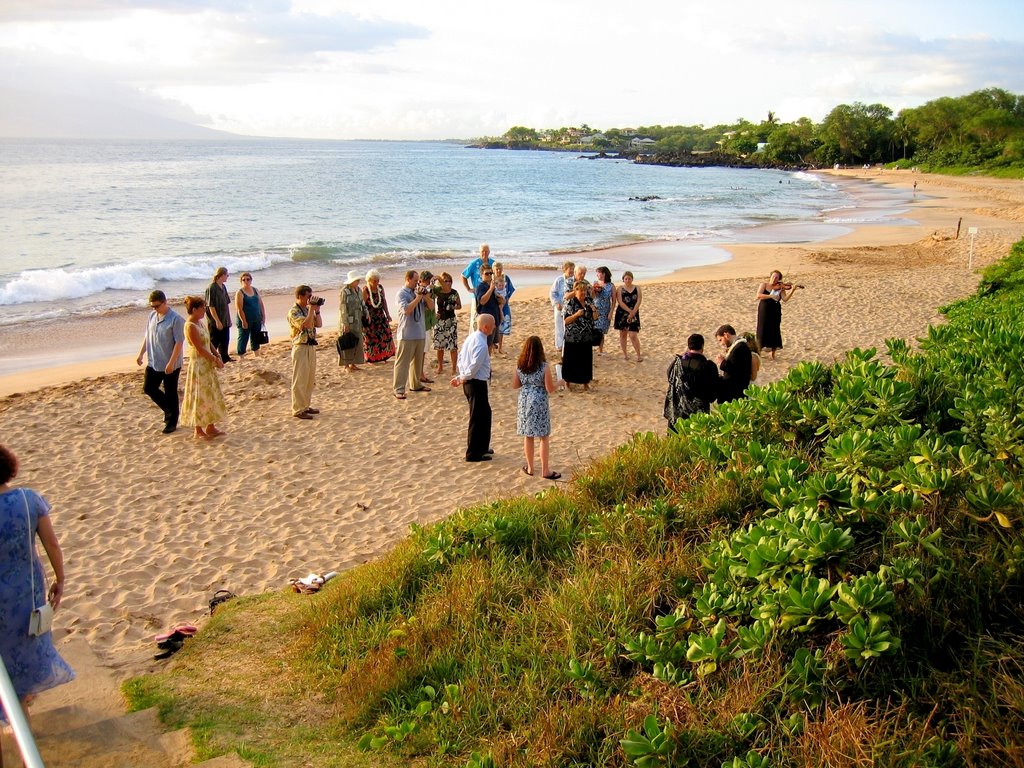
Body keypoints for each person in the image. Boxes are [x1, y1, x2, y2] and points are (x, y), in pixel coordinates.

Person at [0, 445, 75, 744]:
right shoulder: (29, 500)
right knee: (23, 648)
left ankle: (16, 713)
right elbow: (52, 545)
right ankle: (22, 715)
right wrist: (60, 578)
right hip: (25, 594)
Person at [137, 289, 186, 434]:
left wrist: (171, 363)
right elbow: (148, 336)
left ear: (165, 302)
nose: (155, 309)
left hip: (170, 363)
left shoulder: (176, 319)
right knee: (148, 388)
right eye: (152, 306)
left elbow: (179, 343)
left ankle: (172, 421)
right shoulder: (152, 316)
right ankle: (169, 410)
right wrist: (141, 354)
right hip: (154, 360)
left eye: (157, 306)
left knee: (171, 392)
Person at [513, 336, 560, 479]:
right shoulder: (543, 366)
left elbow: (515, 385)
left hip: (524, 399)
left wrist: (527, 383)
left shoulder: (520, 365)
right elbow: (550, 388)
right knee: (543, 436)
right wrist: (560, 382)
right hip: (539, 399)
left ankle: (531, 468)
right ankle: (545, 470)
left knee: (528, 435)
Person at [451, 314, 495, 462]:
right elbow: (474, 366)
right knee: (476, 417)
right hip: (475, 383)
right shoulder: (481, 344)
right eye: (492, 325)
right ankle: (473, 453)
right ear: (485, 327)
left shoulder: (472, 338)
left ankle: (482, 447)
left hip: (473, 381)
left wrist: (461, 375)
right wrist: (461, 377)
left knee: (485, 414)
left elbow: (461, 358)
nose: (494, 327)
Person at [182, 296, 228, 439]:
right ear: (194, 309)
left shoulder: (200, 323)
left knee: (211, 394)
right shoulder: (190, 326)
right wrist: (214, 359)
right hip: (198, 365)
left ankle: (210, 426)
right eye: (202, 308)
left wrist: (217, 354)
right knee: (199, 396)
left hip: (207, 364)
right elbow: (200, 348)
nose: (204, 311)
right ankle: (198, 429)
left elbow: (208, 343)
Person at [664, 333, 720, 431]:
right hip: (697, 417)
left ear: (689, 346)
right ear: (702, 347)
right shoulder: (708, 367)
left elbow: (670, 378)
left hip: (677, 414)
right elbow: (712, 395)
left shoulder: (677, 363)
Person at [393, 270, 433, 400]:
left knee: (417, 361)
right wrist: (418, 297)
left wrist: (425, 296)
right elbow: (407, 310)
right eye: (415, 281)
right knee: (402, 362)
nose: (418, 283)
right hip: (407, 334)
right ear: (408, 279)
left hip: (419, 332)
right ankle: (398, 389)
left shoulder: (418, 292)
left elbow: (431, 307)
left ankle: (416, 384)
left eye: (418, 281)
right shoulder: (401, 293)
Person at [288, 285, 323, 419]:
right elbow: (305, 325)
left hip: (310, 346)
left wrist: (317, 311)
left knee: (309, 379)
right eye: (308, 296)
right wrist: (311, 310)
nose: (310, 299)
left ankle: (305, 405)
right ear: (300, 296)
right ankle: (297, 409)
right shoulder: (293, 312)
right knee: (300, 379)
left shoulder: (307, 310)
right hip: (300, 346)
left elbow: (318, 324)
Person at [755, 270, 802, 360]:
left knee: (775, 330)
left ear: (779, 279)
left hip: (775, 311)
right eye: (773, 276)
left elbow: (785, 299)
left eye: (776, 277)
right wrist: (771, 296)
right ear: (770, 276)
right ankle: (759, 351)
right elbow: (758, 295)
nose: (774, 278)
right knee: (762, 328)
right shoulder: (764, 285)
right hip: (764, 310)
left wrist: (793, 289)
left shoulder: (781, 287)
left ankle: (772, 353)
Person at [562, 279, 598, 391]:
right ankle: (567, 383)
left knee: (585, 360)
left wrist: (594, 311)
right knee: (570, 360)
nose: (583, 293)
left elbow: (596, 318)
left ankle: (585, 383)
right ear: (575, 292)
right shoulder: (570, 303)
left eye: (584, 291)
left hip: (586, 337)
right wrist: (576, 315)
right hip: (572, 337)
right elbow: (565, 321)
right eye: (580, 291)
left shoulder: (589, 301)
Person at [362, 269, 396, 363]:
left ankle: (384, 356)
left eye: (378, 280)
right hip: (370, 318)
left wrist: (387, 314)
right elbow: (362, 306)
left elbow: (384, 301)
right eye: (374, 281)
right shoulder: (365, 290)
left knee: (385, 336)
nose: (377, 282)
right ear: (369, 280)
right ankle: (372, 359)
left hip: (380, 316)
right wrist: (363, 321)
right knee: (371, 339)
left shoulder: (380, 287)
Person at [432, 271, 462, 374]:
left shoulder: (454, 292)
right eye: (445, 281)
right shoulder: (438, 292)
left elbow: (459, 305)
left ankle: (454, 368)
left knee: (452, 346)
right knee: (440, 345)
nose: (448, 283)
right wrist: (433, 314)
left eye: (450, 281)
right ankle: (440, 367)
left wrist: (454, 307)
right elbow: (429, 301)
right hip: (440, 321)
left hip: (451, 321)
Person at [715, 324, 753, 403]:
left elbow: (736, 370)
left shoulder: (740, 348)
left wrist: (722, 362)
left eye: (720, 340)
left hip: (735, 393)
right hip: (735, 390)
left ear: (726, 335)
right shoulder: (738, 346)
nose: (721, 344)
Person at [339, 270, 368, 371]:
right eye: (356, 280)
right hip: (348, 320)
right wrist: (345, 323)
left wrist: (366, 313)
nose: (358, 281)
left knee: (356, 341)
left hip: (357, 320)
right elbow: (343, 308)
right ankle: (347, 364)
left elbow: (362, 303)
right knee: (347, 342)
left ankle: (353, 363)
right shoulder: (344, 292)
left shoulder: (358, 290)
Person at [234, 272, 267, 358]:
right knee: (243, 337)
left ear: (251, 280)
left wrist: (263, 315)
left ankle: (256, 354)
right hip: (245, 319)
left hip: (256, 318)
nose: (246, 281)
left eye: (248, 279)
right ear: (241, 281)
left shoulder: (255, 290)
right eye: (243, 279)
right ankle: (241, 355)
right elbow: (239, 309)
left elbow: (260, 303)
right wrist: (243, 321)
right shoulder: (240, 293)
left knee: (255, 337)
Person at [204, 266, 233, 364]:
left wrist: (228, 319)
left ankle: (225, 357)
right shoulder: (211, 288)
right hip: (215, 320)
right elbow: (211, 306)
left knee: (225, 339)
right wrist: (217, 320)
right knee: (214, 340)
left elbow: (226, 303)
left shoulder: (223, 287)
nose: (227, 277)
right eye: (227, 275)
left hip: (224, 318)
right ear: (221, 275)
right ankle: (210, 358)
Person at [461, 243, 492, 328]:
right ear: (479, 252)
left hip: (490, 295)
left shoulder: (492, 263)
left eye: (486, 251)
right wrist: (468, 289)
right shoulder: (474, 264)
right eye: (483, 251)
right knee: (476, 321)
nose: (484, 253)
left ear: (489, 252)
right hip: (477, 296)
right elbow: (463, 276)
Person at [614, 270, 643, 362]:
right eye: (626, 279)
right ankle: (625, 354)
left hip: (634, 312)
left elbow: (639, 299)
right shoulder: (620, 289)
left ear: (632, 279)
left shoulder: (637, 288)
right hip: (622, 313)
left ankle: (638, 355)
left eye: (629, 278)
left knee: (633, 335)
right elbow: (620, 302)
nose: (627, 280)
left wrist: (633, 311)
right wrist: (629, 311)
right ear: (623, 279)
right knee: (623, 334)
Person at [549, 261, 575, 353]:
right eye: (570, 269)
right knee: (559, 326)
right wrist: (556, 303)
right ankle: (559, 345)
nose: (572, 271)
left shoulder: (575, 280)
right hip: (559, 306)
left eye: (573, 269)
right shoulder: (559, 280)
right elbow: (552, 293)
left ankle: (568, 344)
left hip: (570, 307)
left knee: (569, 326)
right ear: (565, 270)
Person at [474, 265, 501, 354]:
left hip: (494, 319)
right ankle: (485, 366)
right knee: (485, 345)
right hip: (485, 321)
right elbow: (482, 301)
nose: (489, 275)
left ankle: (487, 365)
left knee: (490, 344)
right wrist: (490, 289)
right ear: (481, 275)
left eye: (491, 273)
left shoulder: (492, 286)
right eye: (487, 273)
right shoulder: (481, 287)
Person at [493, 262, 516, 354]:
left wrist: (506, 299)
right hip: (494, 305)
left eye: (500, 268)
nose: (498, 270)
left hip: (504, 305)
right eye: (496, 269)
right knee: (493, 326)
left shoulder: (506, 278)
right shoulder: (491, 279)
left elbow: (511, 289)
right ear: (493, 269)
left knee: (502, 326)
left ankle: (500, 347)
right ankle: (493, 346)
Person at [592, 266, 615, 355]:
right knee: (593, 328)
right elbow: (592, 297)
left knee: (601, 331)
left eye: (599, 272)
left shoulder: (611, 286)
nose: (597, 275)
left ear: (604, 274)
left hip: (605, 310)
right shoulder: (595, 283)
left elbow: (614, 300)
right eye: (597, 273)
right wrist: (594, 290)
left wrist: (611, 312)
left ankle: (600, 350)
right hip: (595, 309)